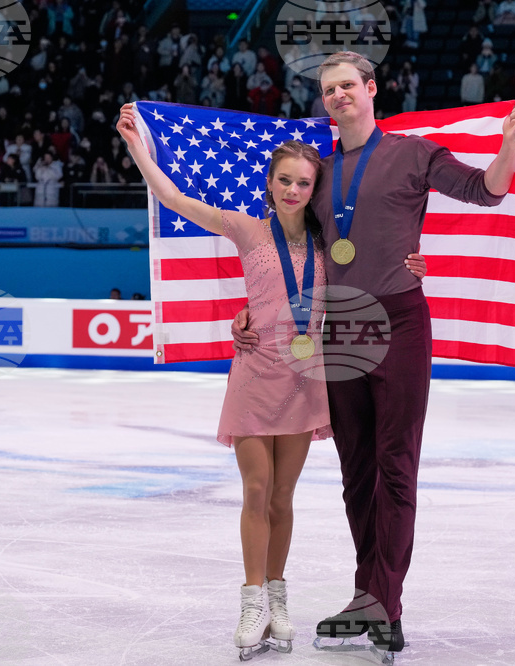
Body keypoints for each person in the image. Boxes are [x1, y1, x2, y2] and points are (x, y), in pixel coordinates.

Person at [231, 50, 515, 656]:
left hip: (398, 323)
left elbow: (486, 190)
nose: (338, 96)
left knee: (396, 465)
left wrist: (508, 144)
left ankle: (385, 605)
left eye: (347, 85)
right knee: (355, 473)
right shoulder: (317, 174)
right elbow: (292, 256)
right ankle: (369, 591)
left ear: (372, 89)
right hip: (338, 332)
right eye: (328, 89)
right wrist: (249, 311)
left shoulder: (414, 153)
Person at [115, 103, 428, 660]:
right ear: (270, 181)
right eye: (284, 180)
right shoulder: (245, 228)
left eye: (303, 183)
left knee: (283, 497)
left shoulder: (332, 244)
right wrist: (138, 146)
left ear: (314, 189)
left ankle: (279, 600)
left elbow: (380, 256)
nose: (292, 190)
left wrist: (414, 263)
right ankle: (253, 601)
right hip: (256, 376)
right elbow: (175, 199)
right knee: (256, 491)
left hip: (306, 382)